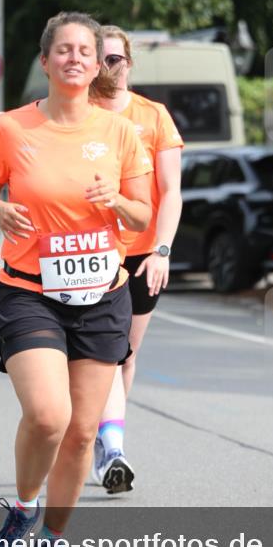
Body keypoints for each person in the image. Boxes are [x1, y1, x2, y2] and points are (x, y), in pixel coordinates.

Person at [0, 12, 152, 547]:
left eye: (85, 51)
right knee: (49, 416)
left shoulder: (120, 132)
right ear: (45, 61)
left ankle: (51, 544)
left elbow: (142, 214)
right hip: (30, 292)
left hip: (102, 295)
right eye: (64, 50)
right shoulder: (12, 128)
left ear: (98, 67)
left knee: (80, 433)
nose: (75, 58)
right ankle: (24, 510)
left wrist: (116, 201)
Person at [90, 26, 183, 494]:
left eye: (116, 59)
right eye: (101, 59)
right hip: (92, 251)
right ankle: (109, 445)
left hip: (143, 253)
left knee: (125, 352)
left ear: (129, 62)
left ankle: (108, 442)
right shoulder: (81, 113)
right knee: (101, 353)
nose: (109, 67)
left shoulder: (153, 115)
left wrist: (163, 250)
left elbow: (172, 192)